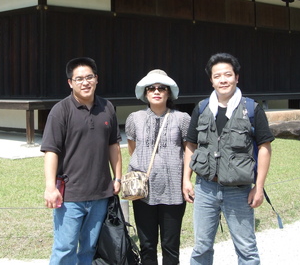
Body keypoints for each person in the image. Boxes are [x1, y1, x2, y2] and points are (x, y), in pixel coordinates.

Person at [183, 53, 274, 265]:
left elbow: (264, 148)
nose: (223, 80)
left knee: (246, 249)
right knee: (201, 247)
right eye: (217, 76)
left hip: (239, 190)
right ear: (211, 80)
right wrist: (186, 179)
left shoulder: (252, 109)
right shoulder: (202, 108)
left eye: (228, 75)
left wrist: (259, 187)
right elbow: (191, 144)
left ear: (236, 77)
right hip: (205, 188)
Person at [41, 57, 122, 265]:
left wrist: (117, 178)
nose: (85, 82)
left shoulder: (107, 107)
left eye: (89, 77)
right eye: (79, 79)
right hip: (70, 195)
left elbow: (113, 145)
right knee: (64, 248)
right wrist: (50, 187)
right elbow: (51, 151)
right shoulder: (61, 110)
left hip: (100, 193)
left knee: (89, 249)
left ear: (96, 79)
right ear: (70, 83)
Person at [125, 69, 191, 265]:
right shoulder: (134, 118)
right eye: (151, 88)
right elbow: (133, 149)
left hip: (173, 190)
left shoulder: (182, 118)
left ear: (168, 92)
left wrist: (186, 180)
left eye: (161, 88)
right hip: (143, 191)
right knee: (147, 244)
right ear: (145, 93)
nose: (156, 91)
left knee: (171, 245)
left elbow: (189, 150)